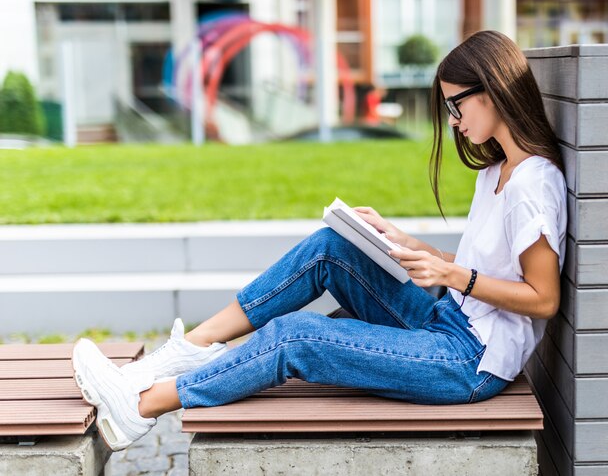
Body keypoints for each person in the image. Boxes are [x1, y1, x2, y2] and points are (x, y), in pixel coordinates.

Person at [72, 30, 567, 451]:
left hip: (469, 363)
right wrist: (409, 244)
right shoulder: (498, 172)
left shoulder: (532, 185)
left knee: (296, 337)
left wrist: (453, 274)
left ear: (493, 91)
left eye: (455, 105)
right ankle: (191, 347)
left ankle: (141, 407)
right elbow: (489, 268)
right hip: (449, 319)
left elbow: (543, 299)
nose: (453, 120)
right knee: (333, 247)